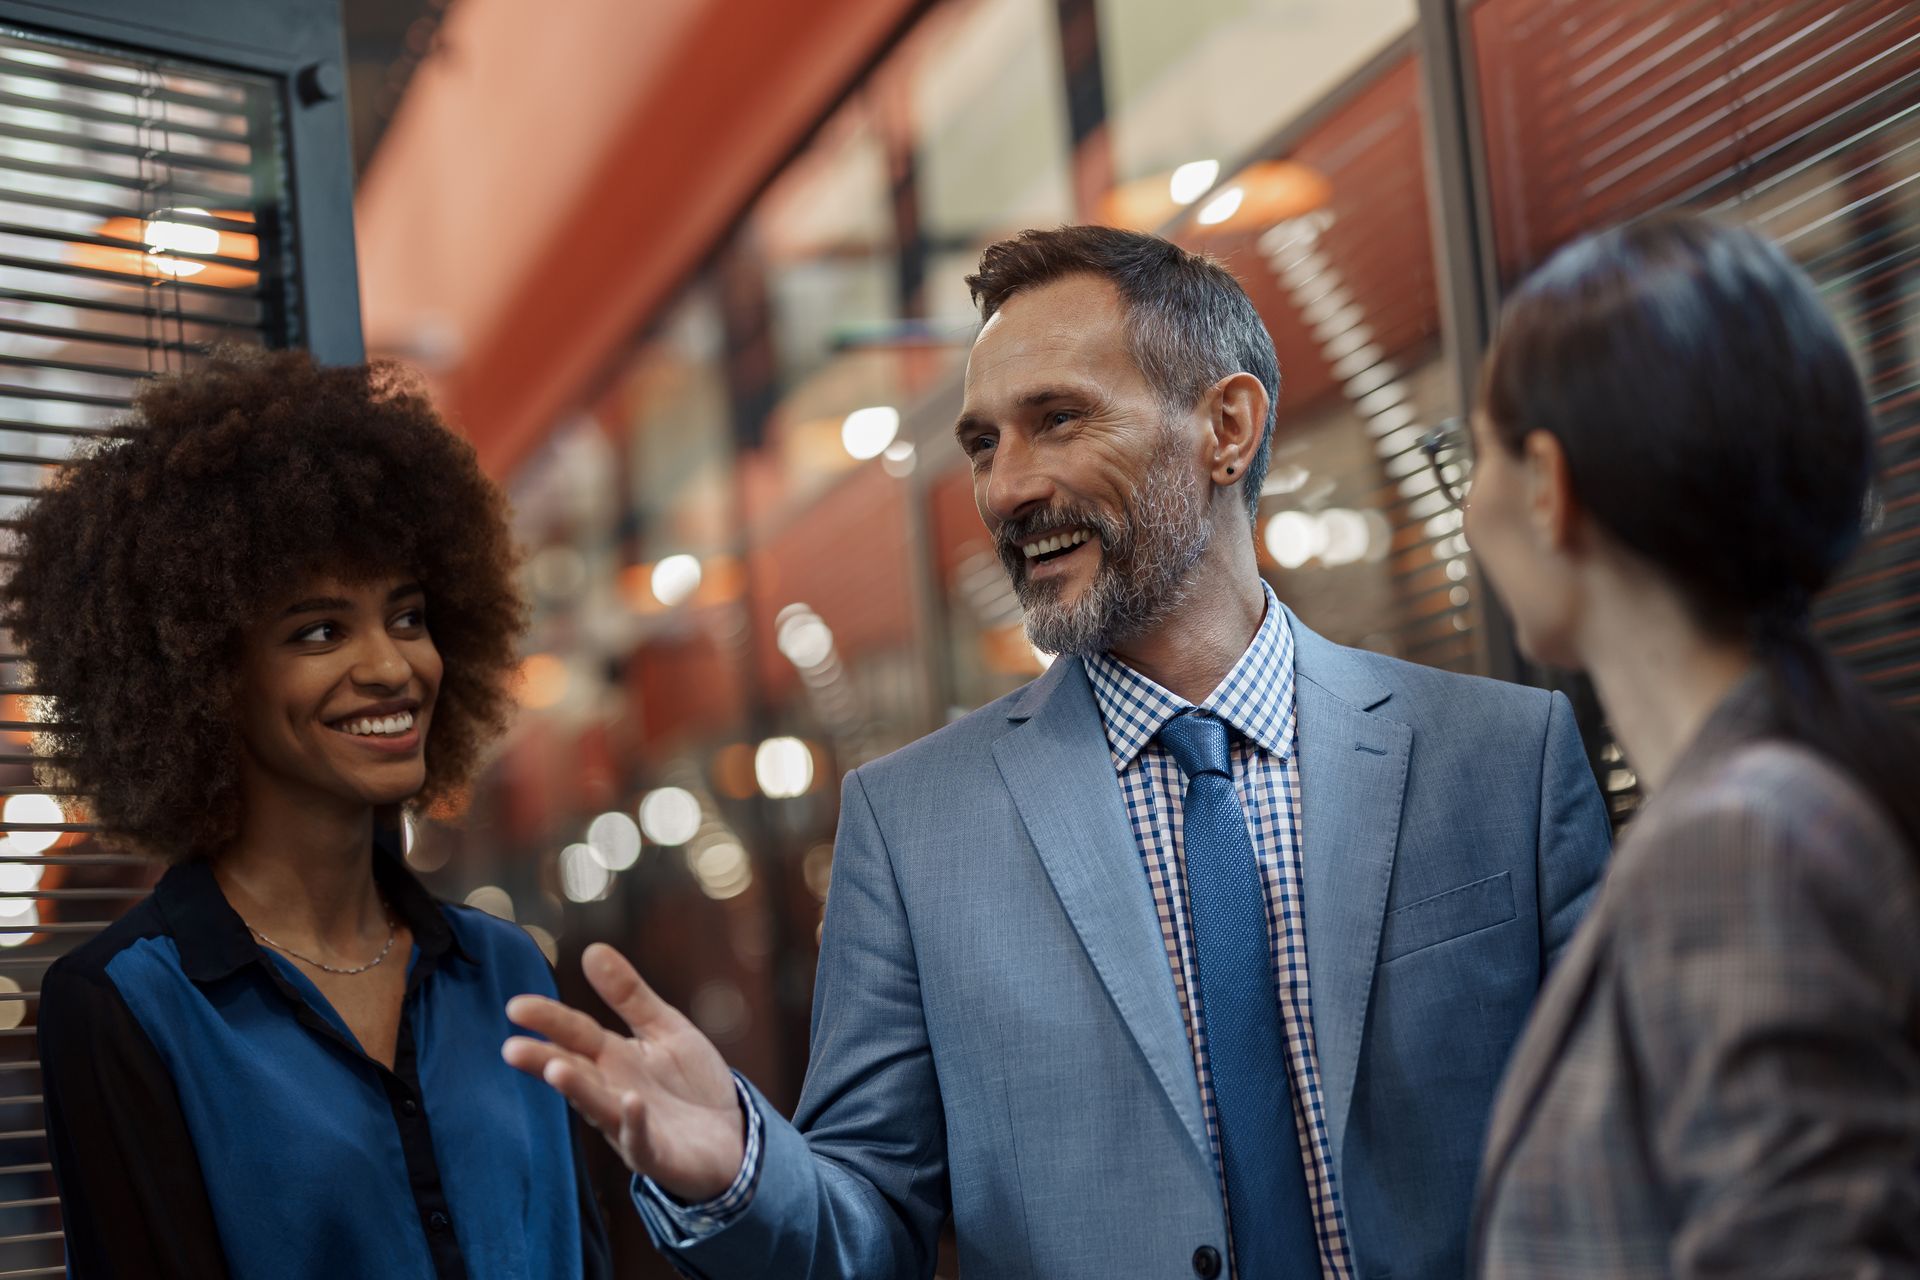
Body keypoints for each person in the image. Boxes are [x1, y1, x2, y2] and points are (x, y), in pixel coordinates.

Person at [505, 226, 1612, 1280]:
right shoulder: (912, 826)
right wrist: (743, 1169)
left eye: (1059, 419)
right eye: (984, 443)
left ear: (1227, 427)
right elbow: (869, 1225)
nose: (1005, 488)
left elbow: (1621, 1162)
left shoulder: (1500, 759)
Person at [16, 348, 611, 1279]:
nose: (391, 666)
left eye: (408, 617)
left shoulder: (508, 970)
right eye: (320, 631)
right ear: (205, 676)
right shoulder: (125, 1007)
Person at [1466, 213, 1920, 1275]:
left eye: (1474, 451)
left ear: (1547, 485)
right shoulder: (1787, 787)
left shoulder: (1741, 836)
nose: (1470, 504)